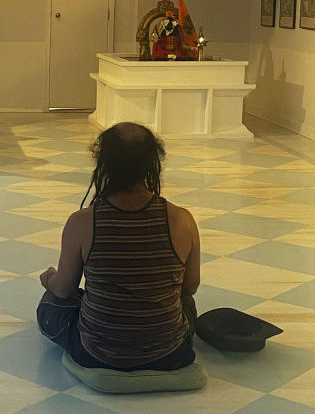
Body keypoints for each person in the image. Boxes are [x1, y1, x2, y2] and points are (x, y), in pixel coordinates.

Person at [37, 122, 201, 371]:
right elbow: (189, 287)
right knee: (186, 305)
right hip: (171, 354)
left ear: (104, 163)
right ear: (153, 162)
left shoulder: (83, 221)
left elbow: (63, 290)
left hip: (95, 354)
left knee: (51, 302)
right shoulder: (182, 219)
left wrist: (49, 278)